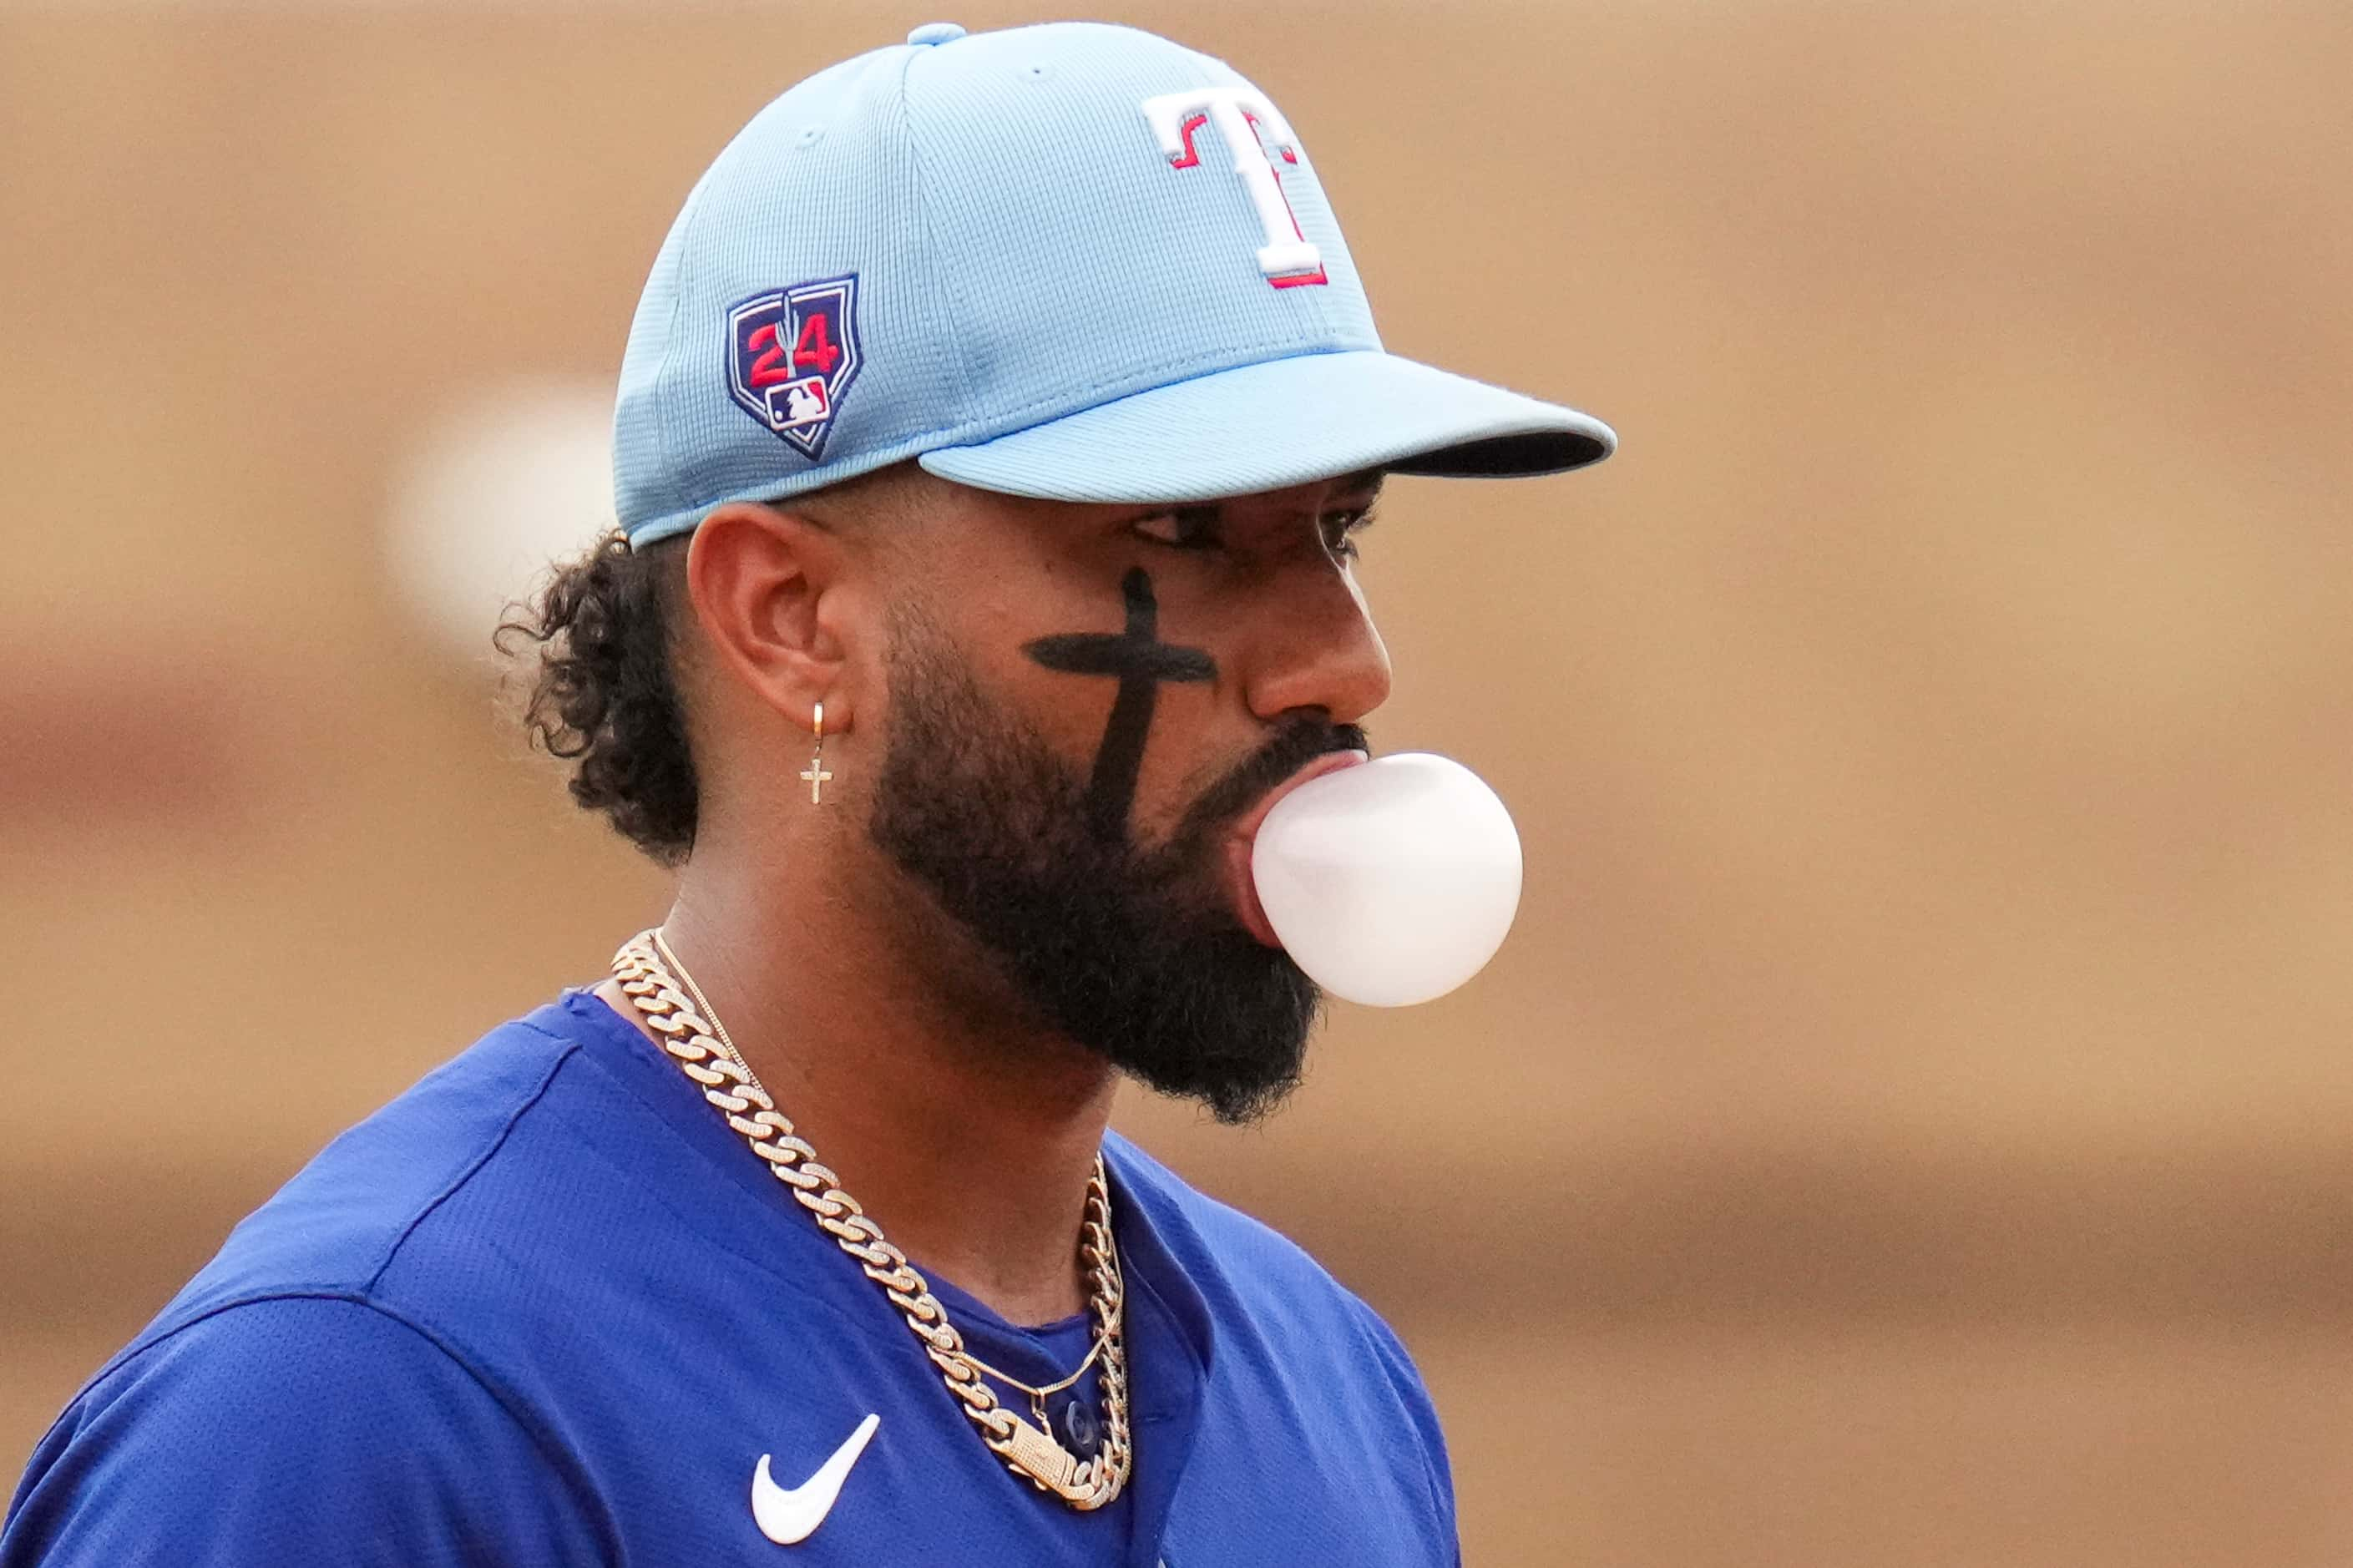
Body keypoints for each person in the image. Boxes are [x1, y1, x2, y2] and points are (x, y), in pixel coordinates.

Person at [3, 20, 1611, 1566]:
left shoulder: (1327, 1385)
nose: (1343, 658)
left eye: (1338, 529)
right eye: (1183, 535)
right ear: (790, 618)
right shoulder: (371, 1409)